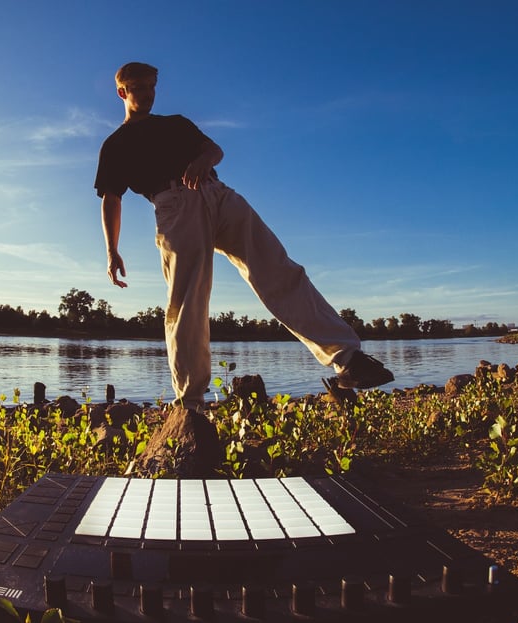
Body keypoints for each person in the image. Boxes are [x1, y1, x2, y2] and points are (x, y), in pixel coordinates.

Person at [94, 62, 393, 412]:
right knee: (188, 301)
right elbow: (111, 198)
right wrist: (111, 250)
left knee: (279, 269)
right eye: (138, 88)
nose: (147, 94)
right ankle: (191, 404)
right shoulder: (116, 144)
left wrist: (205, 159)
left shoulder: (176, 124)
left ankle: (348, 360)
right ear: (122, 92)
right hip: (174, 206)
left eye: (151, 87)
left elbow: (214, 150)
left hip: (219, 195)